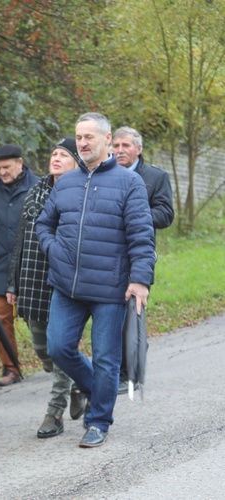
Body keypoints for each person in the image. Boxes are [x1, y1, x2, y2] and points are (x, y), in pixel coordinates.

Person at [36, 112, 155, 448]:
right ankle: (92, 388)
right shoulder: (67, 182)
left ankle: (98, 421)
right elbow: (44, 224)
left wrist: (141, 280)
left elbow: (142, 237)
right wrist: (54, 249)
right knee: (58, 346)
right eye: (79, 137)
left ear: (107, 140)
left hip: (110, 288)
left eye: (89, 137)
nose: (83, 143)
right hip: (67, 285)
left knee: (106, 357)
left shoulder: (129, 183)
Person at [6, 138, 85, 438]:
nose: (56, 158)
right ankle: (79, 380)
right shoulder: (35, 192)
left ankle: (54, 413)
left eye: (64, 154)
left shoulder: (82, 191)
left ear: (76, 162)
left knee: (59, 347)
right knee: (44, 351)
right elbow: (20, 240)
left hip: (65, 281)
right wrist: (12, 282)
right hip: (32, 281)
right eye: (53, 153)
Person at [112, 126, 174, 394]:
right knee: (110, 314)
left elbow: (165, 214)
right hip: (106, 254)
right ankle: (116, 369)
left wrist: (135, 213)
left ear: (138, 149)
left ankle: (130, 372)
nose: (120, 151)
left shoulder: (155, 176)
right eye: (116, 145)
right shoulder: (106, 174)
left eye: (126, 145)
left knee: (131, 315)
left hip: (138, 255)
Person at [0, 144, 38, 387]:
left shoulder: (38, 187)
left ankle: (53, 357)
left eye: (7, 167)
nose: (2, 172)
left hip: (29, 265)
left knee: (35, 316)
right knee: (1, 319)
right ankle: (11, 368)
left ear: (20, 163)